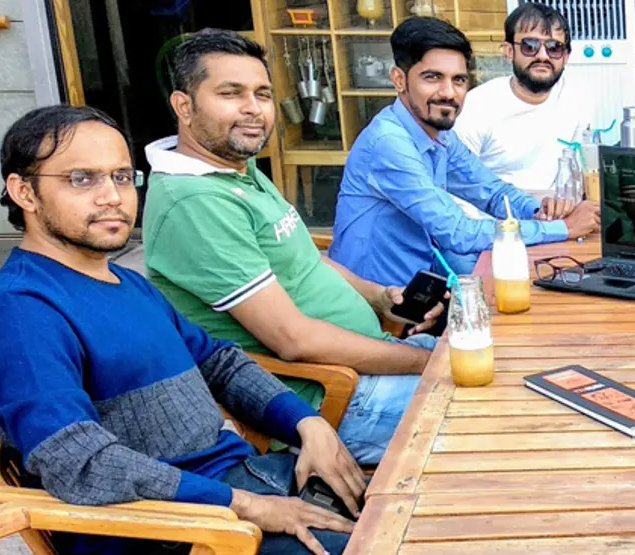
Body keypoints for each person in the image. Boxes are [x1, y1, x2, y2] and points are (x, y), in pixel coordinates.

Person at [0, 105, 362, 555]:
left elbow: (220, 363)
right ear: (24, 192)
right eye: (81, 178)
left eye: (120, 176)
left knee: (421, 516)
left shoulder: (125, 282)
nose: (112, 196)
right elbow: (81, 465)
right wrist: (243, 507)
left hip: (245, 483)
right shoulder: (21, 313)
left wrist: (307, 422)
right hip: (170, 542)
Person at [143, 29, 443, 466]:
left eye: (262, 94)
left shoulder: (233, 171)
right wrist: (428, 364)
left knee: (515, 369)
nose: (253, 109)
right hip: (334, 398)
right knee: (503, 410)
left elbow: (304, 259)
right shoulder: (195, 202)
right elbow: (294, 341)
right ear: (184, 106)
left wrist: (381, 297)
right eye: (231, 93)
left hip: (372, 362)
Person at [329, 16, 600, 281]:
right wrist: (561, 227)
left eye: (458, 80)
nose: (449, 93)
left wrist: (538, 211)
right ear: (399, 80)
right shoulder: (389, 143)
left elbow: (492, 192)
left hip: (420, 289)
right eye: (432, 77)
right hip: (374, 306)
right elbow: (457, 232)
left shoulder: (440, 136)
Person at [453, 2, 594, 196]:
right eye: (530, 46)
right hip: (497, 221)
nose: (543, 56)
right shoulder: (477, 106)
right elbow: (460, 186)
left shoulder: (576, 101)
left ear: (566, 56)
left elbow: (584, 177)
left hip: (558, 219)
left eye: (554, 47)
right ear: (509, 51)